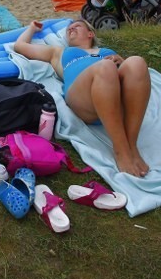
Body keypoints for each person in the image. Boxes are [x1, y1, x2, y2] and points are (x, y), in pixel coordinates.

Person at [14, 20, 150, 177]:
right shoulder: (60, 52)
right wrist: (32, 28)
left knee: (136, 62)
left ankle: (132, 145)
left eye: (77, 26)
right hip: (84, 98)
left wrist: (121, 62)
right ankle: (121, 150)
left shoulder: (107, 51)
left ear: (90, 34)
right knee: (105, 67)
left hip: (115, 101)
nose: (71, 27)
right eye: (69, 28)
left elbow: (134, 83)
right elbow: (20, 46)